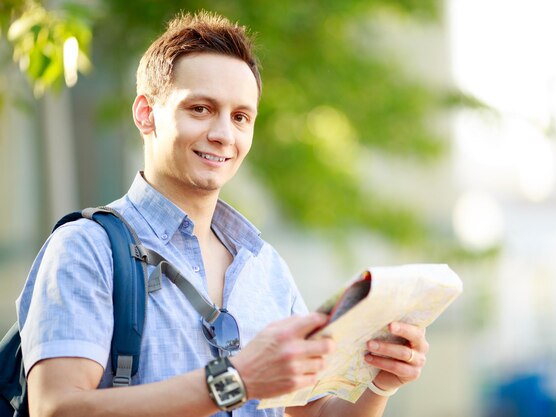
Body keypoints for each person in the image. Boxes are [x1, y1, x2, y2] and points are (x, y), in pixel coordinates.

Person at [16, 10, 429, 417]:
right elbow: (57, 408)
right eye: (200, 109)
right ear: (146, 113)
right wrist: (237, 380)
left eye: (240, 117)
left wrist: (379, 382)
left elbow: (314, 413)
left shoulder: (264, 266)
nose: (223, 134)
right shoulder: (87, 248)